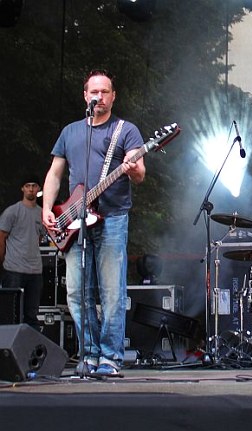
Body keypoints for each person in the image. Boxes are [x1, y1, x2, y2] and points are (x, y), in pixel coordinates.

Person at [42, 69, 146, 376]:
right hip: (75, 220)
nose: (99, 97)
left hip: (112, 218)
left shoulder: (126, 130)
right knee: (77, 292)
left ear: (113, 97)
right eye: (94, 92)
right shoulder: (70, 132)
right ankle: (88, 354)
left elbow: (140, 172)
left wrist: (133, 169)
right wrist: (47, 209)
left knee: (111, 292)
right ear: (85, 96)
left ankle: (110, 357)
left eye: (105, 92)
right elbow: (55, 174)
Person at [0, 176, 47, 330]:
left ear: (38, 188)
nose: (31, 189)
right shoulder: (12, 212)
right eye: (27, 186)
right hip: (13, 269)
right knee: (10, 315)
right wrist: (2, 262)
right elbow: (1, 237)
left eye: (34, 186)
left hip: (35, 271)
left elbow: (39, 238)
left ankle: (30, 345)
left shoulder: (42, 213)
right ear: (22, 188)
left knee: (32, 315)